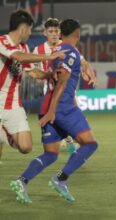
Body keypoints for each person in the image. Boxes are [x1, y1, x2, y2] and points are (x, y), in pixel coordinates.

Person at [10, 19, 98, 203]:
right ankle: (60, 179)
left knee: (51, 154)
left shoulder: (58, 53)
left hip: (48, 105)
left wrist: (49, 109)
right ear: (77, 33)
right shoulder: (70, 52)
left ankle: (22, 181)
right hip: (63, 107)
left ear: (60, 33)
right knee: (90, 144)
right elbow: (62, 82)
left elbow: (55, 76)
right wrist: (53, 111)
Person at [0, 10, 67, 157]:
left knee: (26, 147)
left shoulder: (24, 48)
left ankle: (2, 135)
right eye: (30, 29)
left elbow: (33, 73)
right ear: (23, 29)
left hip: (13, 104)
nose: (30, 33)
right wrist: (50, 55)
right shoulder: (2, 42)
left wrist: (51, 75)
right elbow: (19, 57)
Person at [32, 17, 97, 157]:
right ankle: (65, 141)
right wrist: (42, 76)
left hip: (67, 88)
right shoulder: (39, 49)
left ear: (60, 33)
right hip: (50, 88)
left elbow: (82, 61)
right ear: (45, 33)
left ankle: (74, 143)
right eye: (51, 31)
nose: (54, 34)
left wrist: (86, 70)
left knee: (73, 113)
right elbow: (35, 70)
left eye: (56, 31)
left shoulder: (66, 45)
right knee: (56, 117)